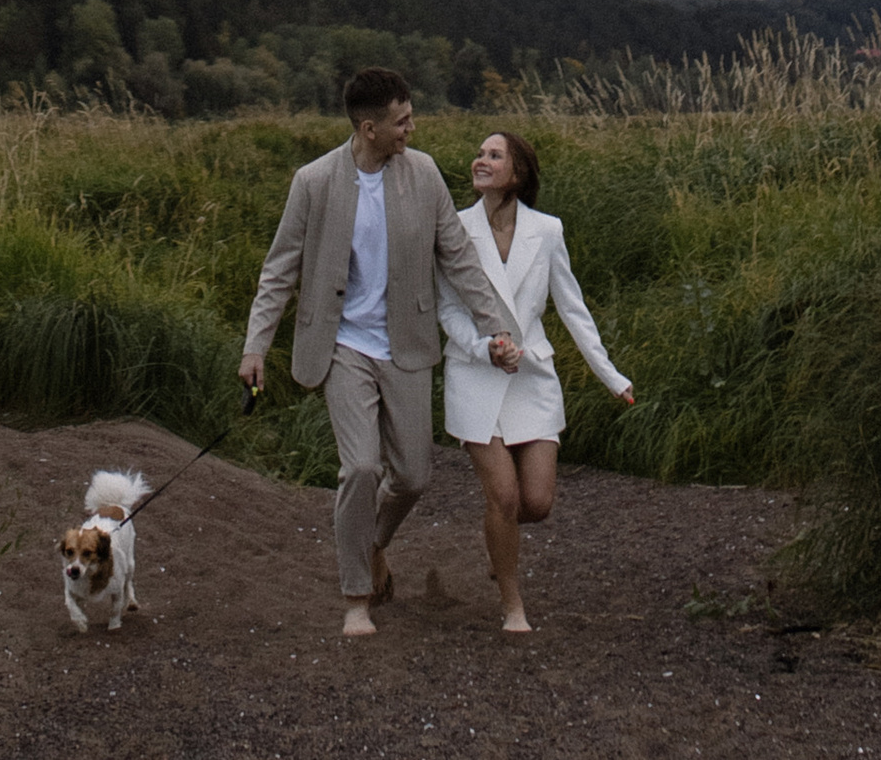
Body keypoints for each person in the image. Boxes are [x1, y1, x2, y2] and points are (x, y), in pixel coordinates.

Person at [239, 69, 522, 637]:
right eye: (401, 121)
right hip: (342, 345)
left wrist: (497, 329)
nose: (411, 129)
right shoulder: (313, 181)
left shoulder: (423, 174)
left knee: (413, 476)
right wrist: (255, 348)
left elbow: (458, 259)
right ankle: (356, 599)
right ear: (368, 129)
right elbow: (279, 270)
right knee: (362, 468)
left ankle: (370, 543)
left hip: (406, 344)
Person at [437, 129, 634, 632]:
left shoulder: (547, 231)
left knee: (537, 504)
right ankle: (512, 604)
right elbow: (448, 309)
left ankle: (497, 539)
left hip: (532, 376)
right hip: (475, 374)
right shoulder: (454, 228)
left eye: (494, 155)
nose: (480, 160)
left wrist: (611, 376)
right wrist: (484, 347)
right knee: (503, 497)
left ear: (517, 173)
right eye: (479, 153)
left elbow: (572, 308)